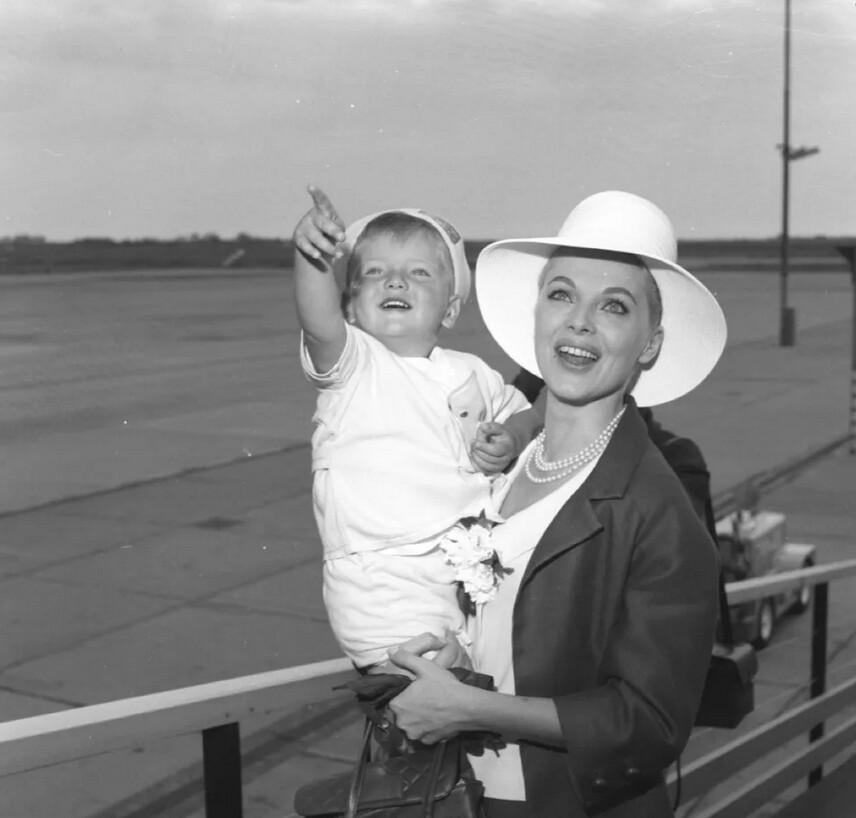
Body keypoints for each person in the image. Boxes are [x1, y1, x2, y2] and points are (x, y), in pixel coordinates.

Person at [386, 191, 728, 817]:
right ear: (537, 310)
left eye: (614, 306)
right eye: (562, 294)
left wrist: (473, 708)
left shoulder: (660, 515)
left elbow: (650, 723)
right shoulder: (506, 461)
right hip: (460, 792)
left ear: (649, 344)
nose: (580, 322)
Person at [293, 186, 540, 671]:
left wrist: (513, 434)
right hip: (383, 577)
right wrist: (312, 257)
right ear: (349, 307)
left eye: (419, 273)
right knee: (423, 687)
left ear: (450, 309)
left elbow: (529, 414)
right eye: (374, 272)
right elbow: (318, 322)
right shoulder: (355, 365)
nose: (395, 281)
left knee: (477, 685)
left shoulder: (473, 372)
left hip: (466, 567)